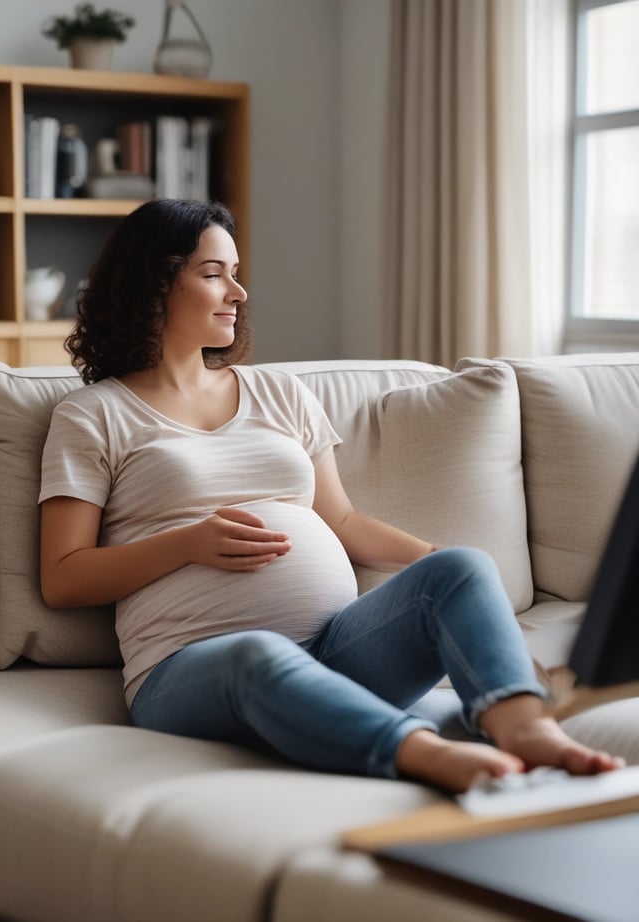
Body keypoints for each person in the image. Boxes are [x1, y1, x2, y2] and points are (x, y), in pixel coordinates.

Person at [39, 198, 622, 794]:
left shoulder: (278, 392)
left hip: (337, 651)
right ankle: (421, 753)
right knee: (257, 654)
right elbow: (62, 577)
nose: (238, 293)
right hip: (191, 671)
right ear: (153, 285)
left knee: (461, 566)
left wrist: (434, 564)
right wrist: (188, 544)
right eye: (214, 274)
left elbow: (339, 518)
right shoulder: (93, 415)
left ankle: (527, 732)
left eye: (236, 274)